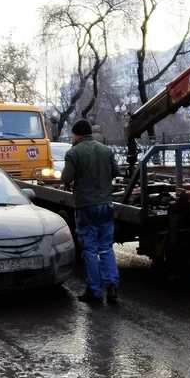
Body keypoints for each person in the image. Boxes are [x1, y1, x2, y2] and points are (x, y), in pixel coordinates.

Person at [60, 119, 121, 304]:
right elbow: (116, 171)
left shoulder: (74, 152)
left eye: (73, 134)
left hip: (86, 207)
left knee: (90, 250)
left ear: (77, 134)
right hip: (106, 205)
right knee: (106, 248)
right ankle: (111, 286)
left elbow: (66, 178)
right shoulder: (105, 150)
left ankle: (94, 291)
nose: (72, 137)